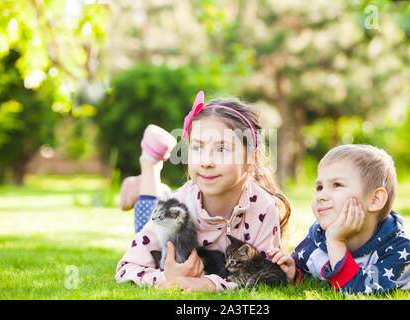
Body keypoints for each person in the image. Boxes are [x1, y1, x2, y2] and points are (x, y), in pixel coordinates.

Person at [115, 91, 291, 292]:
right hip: (163, 217)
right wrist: (165, 278)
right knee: (149, 214)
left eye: (222, 149)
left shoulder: (264, 207)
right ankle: (149, 172)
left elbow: (264, 276)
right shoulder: (178, 203)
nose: (206, 162)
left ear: (253, 159)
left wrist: (210, 284)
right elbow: (126, 268)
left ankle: (151, 183)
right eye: (197, 148)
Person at [268, 144, 410, 295]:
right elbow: (307, 272)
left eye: (337, 185)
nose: (321, 196)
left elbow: (358, 289)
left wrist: (336, 241)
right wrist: (293, 273)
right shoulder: (315, 239)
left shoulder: (400, 246)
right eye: (320, 187)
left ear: (375, 200)